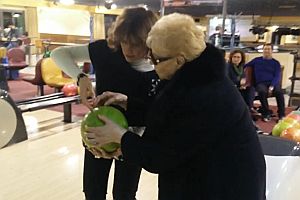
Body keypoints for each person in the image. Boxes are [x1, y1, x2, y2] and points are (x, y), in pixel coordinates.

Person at [86, 13, 266, 200]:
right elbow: (166, 114)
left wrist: (120, 137)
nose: (152, 65)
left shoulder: (207, 96)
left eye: (155, 60)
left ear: (179, 60)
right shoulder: (191, 77)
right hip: (202, 178)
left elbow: (161, 156)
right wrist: (128, 103)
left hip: (223, 188)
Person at [51, 7, 159, 200]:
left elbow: (157, 112)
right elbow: (58, 54)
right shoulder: (107, 51)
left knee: (124, 194)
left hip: (133, 140)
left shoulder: (161, 66)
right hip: (97, 132)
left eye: (136, 44)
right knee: (93, 191)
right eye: (124, 42)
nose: (128, 50)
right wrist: (81, 77)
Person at [245, 43, 285, 122]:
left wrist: (272, 86)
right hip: (261, 83)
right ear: (263, 50)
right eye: (265, 49)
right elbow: (245, 65)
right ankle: (266, 113)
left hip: (272, 83)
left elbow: (277, 76)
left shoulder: (276, 63)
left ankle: (281, 114)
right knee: (262, 91)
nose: (267, 51)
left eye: (269, 49)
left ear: (272, 51)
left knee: (279, 92)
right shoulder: (256, 60)